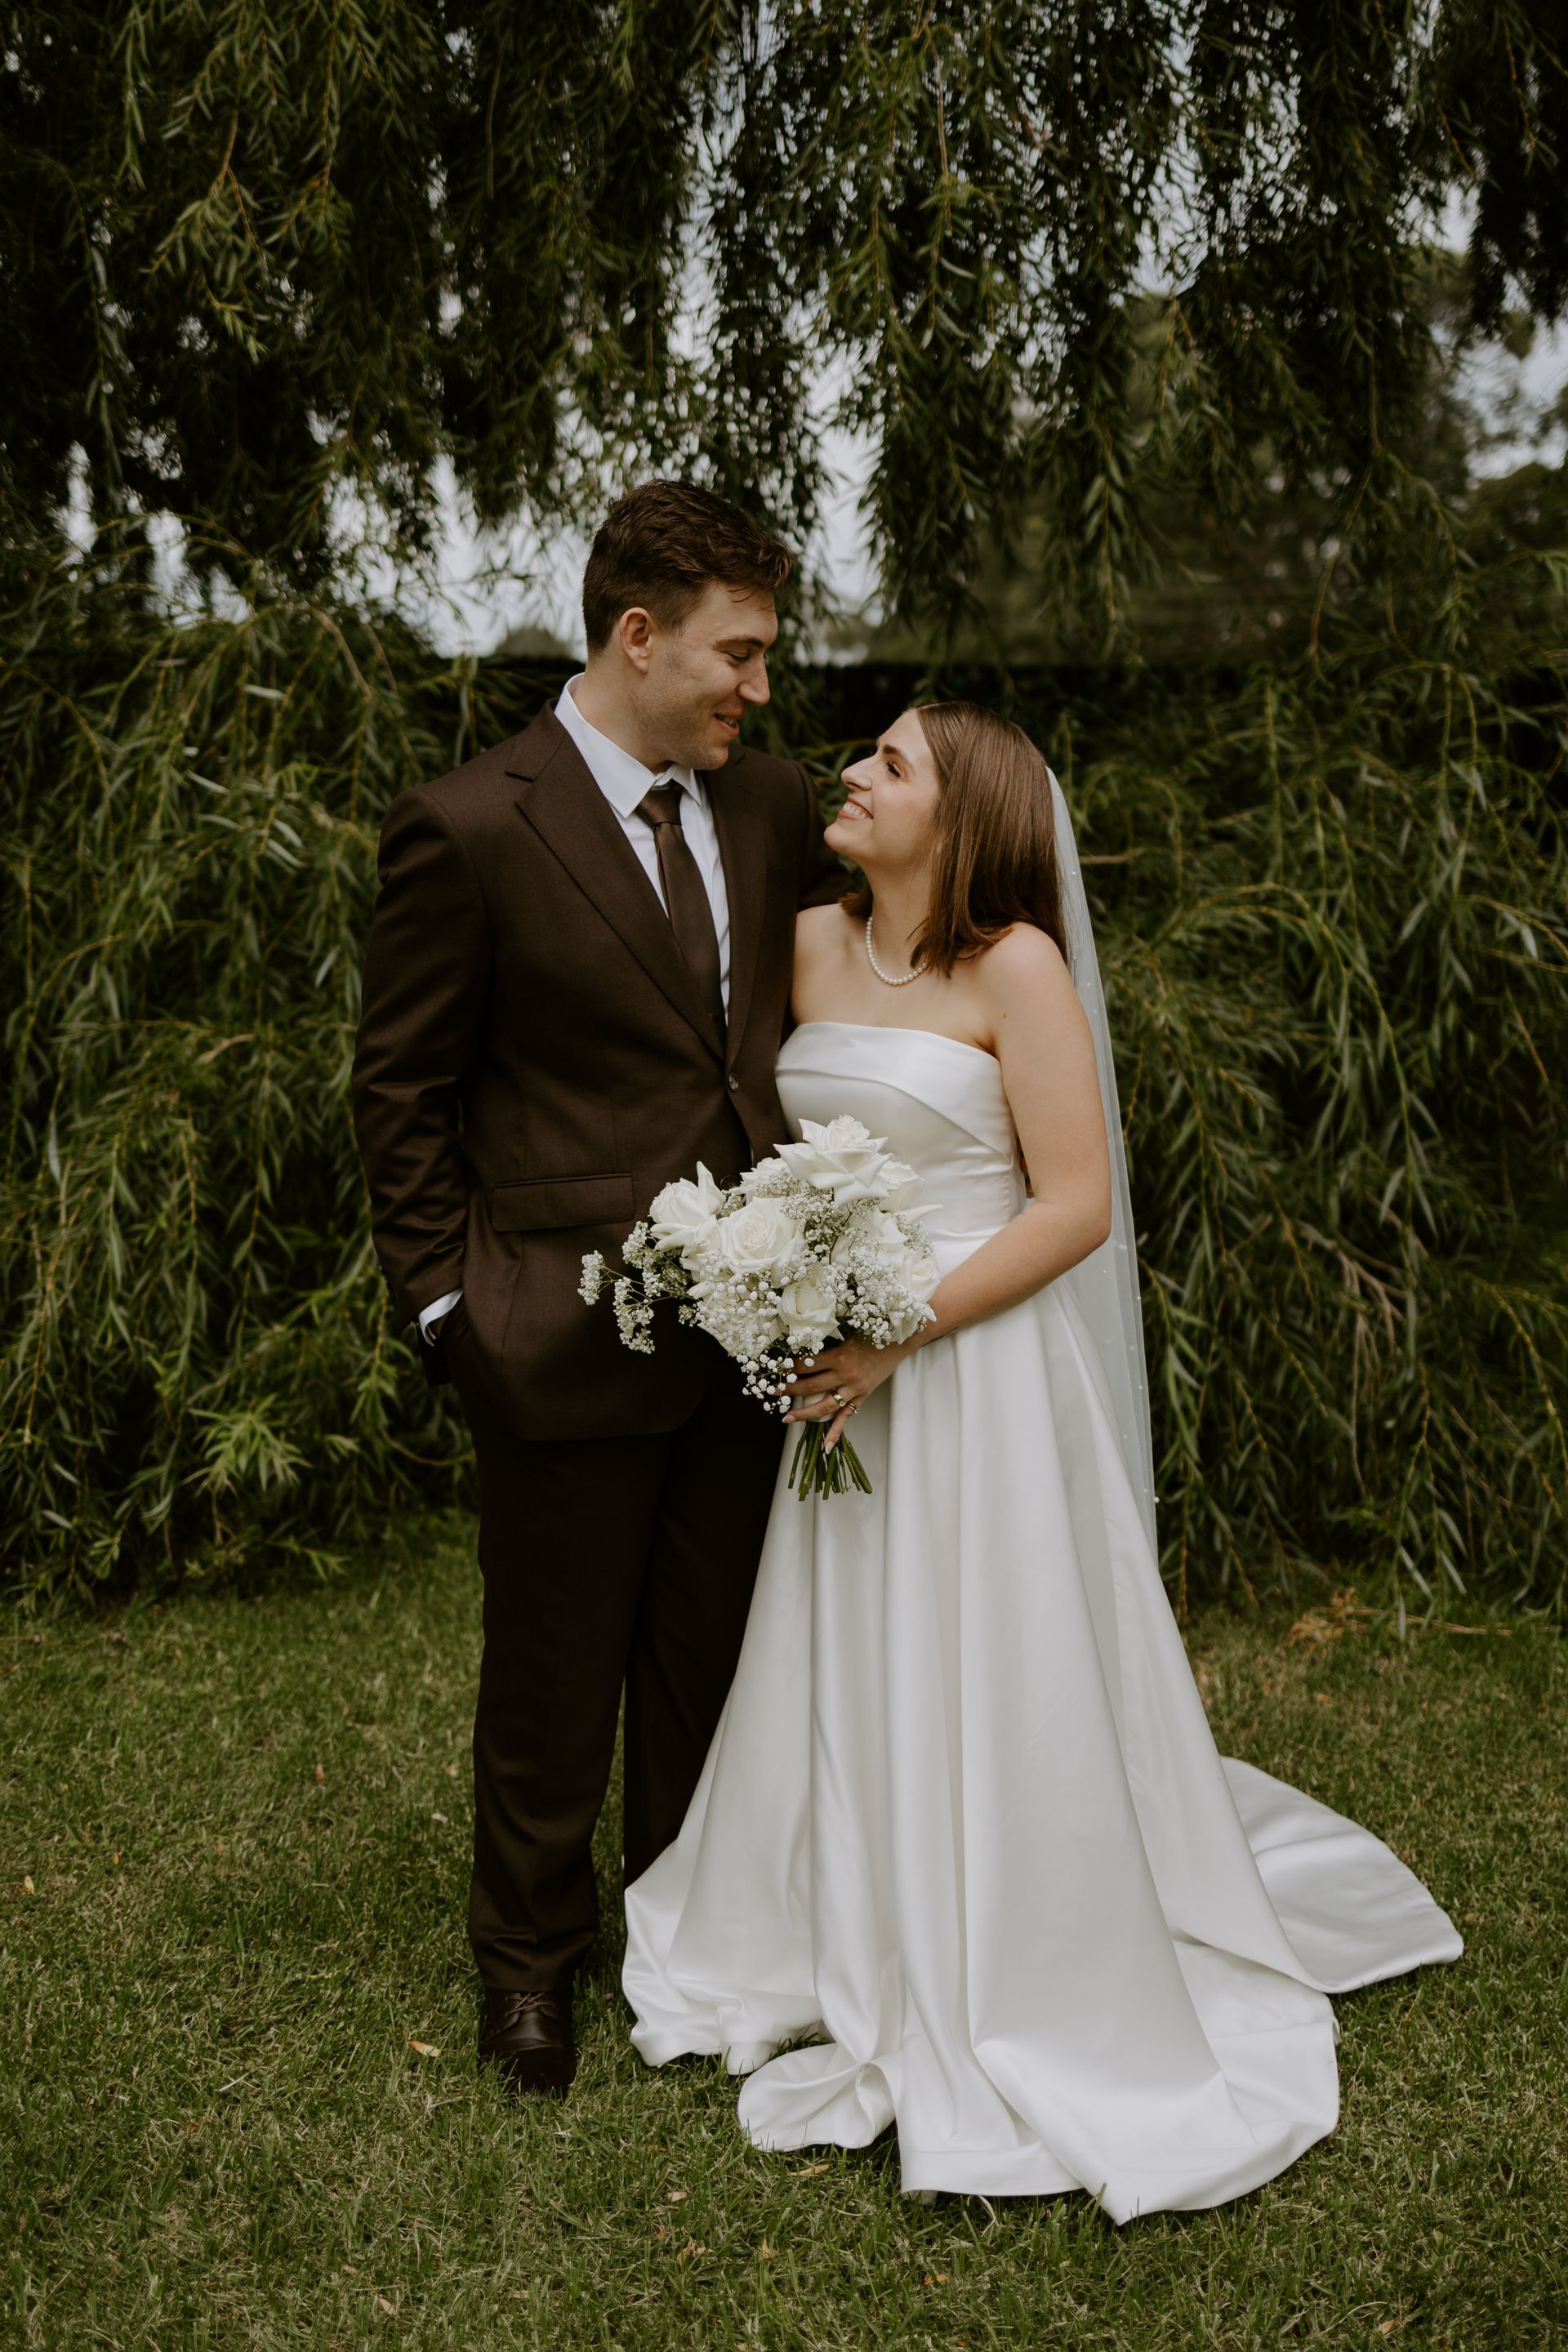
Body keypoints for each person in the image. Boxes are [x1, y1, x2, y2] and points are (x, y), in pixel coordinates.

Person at [621, 702, 1463, 2219]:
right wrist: (778, 1283)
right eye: (868, 756)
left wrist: (896, 1331)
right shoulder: (806, 943)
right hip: (842, 1379)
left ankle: (1024, 1923)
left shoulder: (1015, 966)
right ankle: (842, 1908)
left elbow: (1072, 1205)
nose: (857, 775)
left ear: (967, 817)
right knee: (849, 1646)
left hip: (977, 1372)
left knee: (999, 1655)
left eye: (893, 765)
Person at [351, 480, 843, 2096]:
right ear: (641, 637)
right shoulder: (473, 824)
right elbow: (402, 1090)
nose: (759, 688)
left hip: (747, 1329)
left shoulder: (771, 808)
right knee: (553, 1668)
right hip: (551, 1322)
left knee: (705, 1658)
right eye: (739, 653)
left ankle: (681, 1943)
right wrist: (446, 1308)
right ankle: (525, 1968)